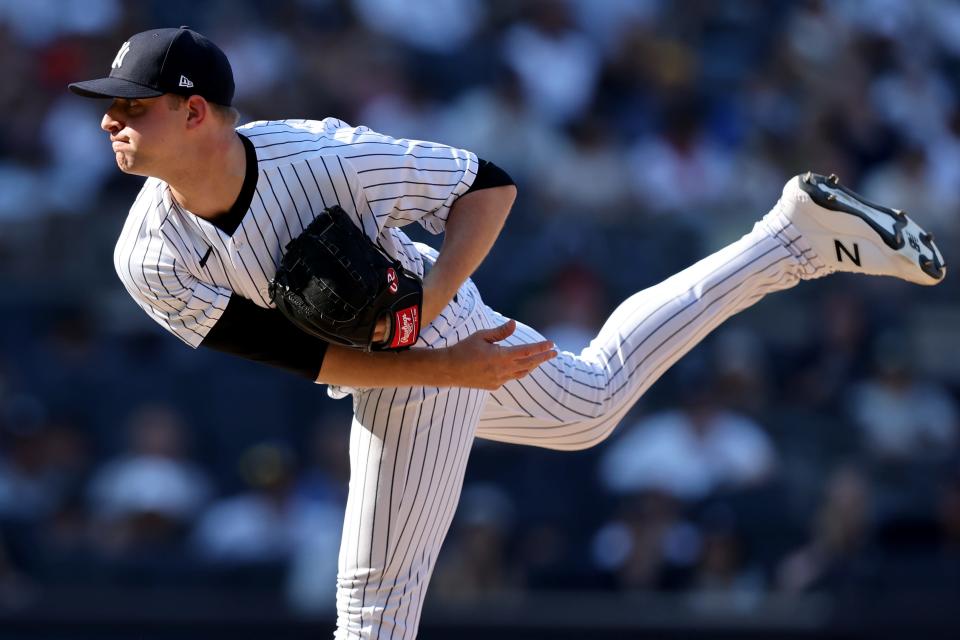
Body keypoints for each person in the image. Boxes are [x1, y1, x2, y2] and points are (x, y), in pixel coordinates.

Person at [68, 26, 945, 639]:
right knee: (593, 401)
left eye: (132, 106)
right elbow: (301, 356)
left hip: (427, 314)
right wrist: (439, 363)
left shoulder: (320, 157)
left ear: (194, 113)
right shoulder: (147, 256)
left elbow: (486, 182)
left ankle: (793, 240)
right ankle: (792, 238)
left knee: (372, 613)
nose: (111, 119)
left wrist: (433, 307)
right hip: (401, 354)